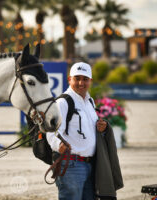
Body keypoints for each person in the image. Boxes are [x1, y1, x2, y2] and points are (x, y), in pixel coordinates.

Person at [46, 62, 107, 200]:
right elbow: (51, 132)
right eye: (77, 78)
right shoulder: (63, 102)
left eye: (85, 79)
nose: (81, 83)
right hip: (71, 165)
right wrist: (58, 145)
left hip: (90, 165)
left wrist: (101, 128)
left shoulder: (90, 101)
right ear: (69, 79)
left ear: (90, 81)